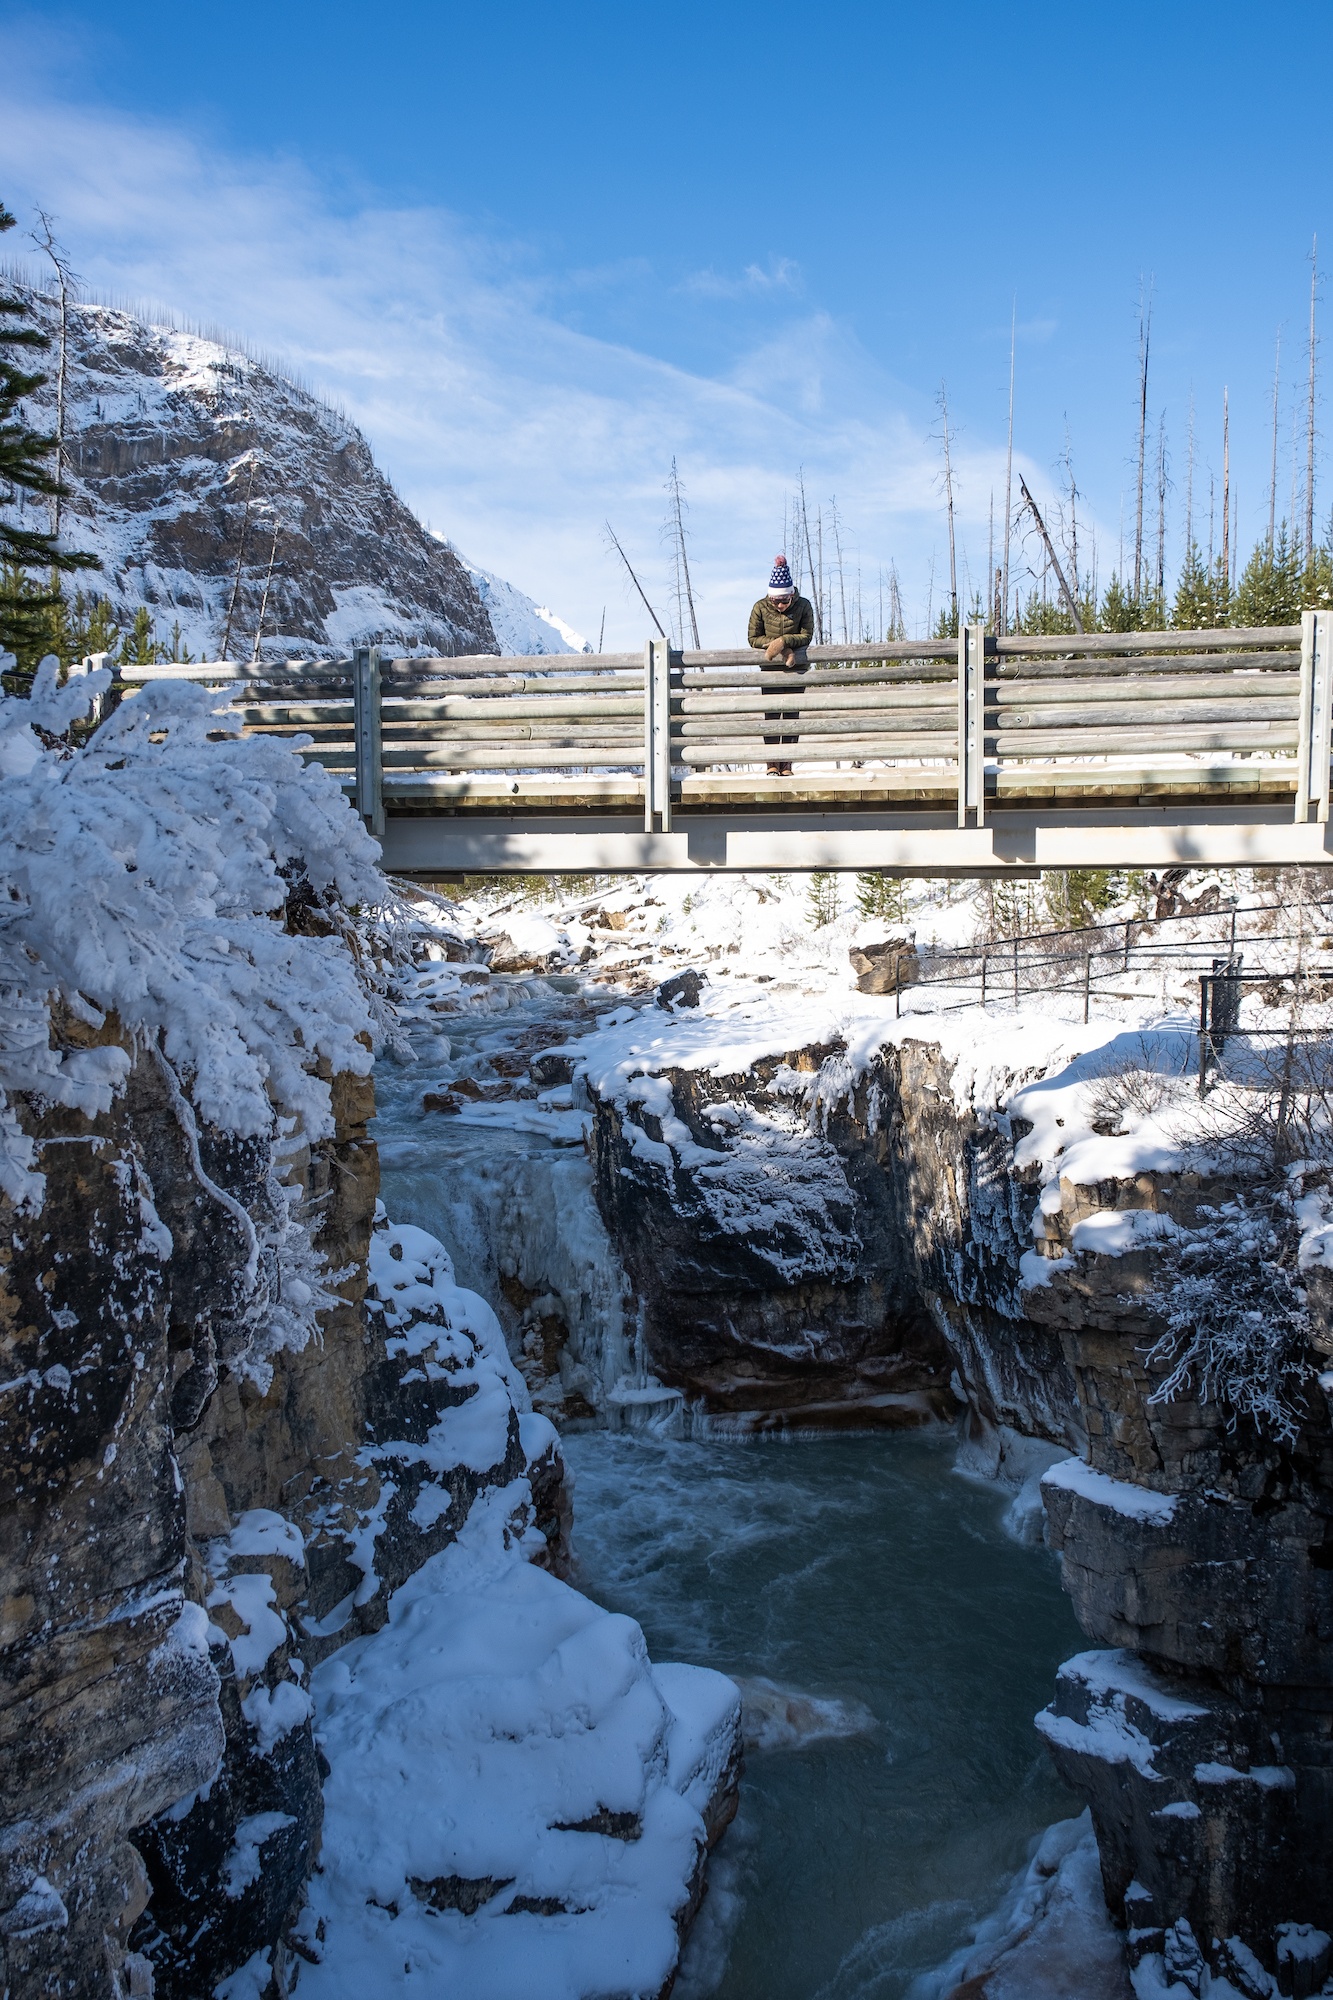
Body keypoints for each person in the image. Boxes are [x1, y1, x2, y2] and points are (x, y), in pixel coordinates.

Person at [748, 555, 814, 775]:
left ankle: (787, 764)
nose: (780, 605)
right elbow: (752, 638)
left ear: (791, 594)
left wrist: (785, 641)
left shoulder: (804, 606)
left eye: (784, 601)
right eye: (776, 601)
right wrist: (773, 645)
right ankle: (772, 763)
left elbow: (806, 635)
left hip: (796, 671)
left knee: (792, 715)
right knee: (772, 716)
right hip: (770, 671)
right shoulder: (759, 607)